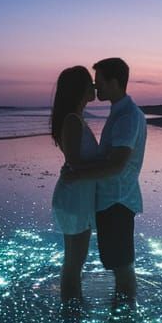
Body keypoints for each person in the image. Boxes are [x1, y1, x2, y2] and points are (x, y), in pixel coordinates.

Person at [62, 57, 146, 305]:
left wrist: (77, 175)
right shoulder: (119, 113)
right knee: (118, 263)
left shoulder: (128, 117)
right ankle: (122, 313)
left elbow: (116, 164)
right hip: (112, 200)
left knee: (122, 266)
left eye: (99, 82)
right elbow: (110, 160)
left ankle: (124, 319)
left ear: (114, 82)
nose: (96, 87)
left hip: (117, 201)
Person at [50, 65, 100, 303]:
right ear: (79, 88)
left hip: (78, 196)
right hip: (73, 198)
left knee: (74, 261)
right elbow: (74, 164)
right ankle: (71, 315)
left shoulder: (77, 119)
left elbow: (75, 165)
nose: (94, 87)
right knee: (73, 263)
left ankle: (72, 309)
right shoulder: (72, 120)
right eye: (90, 83)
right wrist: (112, 165)